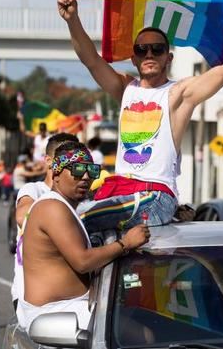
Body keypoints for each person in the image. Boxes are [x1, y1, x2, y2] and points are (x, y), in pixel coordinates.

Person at [57, 0, 223, 233]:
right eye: (142, 50)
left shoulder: (178, 94)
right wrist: (72, 20)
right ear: (134, 58)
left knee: (78, 218)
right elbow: (91, 60)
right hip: (120, 191)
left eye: (157, 49)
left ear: (168, 57)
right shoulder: (125, 88)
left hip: (155, 195)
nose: (149, 54)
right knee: (73, 224)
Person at [16, 141, 150, 331]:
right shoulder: (52, 207)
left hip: (70, 310)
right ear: (56, 174)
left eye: (92, 171)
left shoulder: (65, 207)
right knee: (142, 334)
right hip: (55, 315)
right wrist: (125, 243)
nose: (86, 177)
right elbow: (82, 261)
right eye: (77, 170)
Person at [11, 133, 80, 310]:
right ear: (49, 161)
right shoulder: (34, 190)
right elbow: (22, 217)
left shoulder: (79, 198)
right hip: (33, 301)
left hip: (69, 299)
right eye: (64, 159)